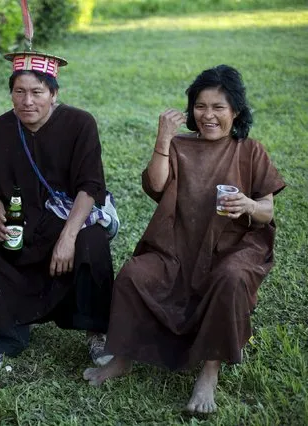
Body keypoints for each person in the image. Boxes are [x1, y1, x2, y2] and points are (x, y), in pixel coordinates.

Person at [83, 65, 286, 414]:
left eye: (218, 108)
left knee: (231, 279)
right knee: (135, 275)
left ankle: (209, 371)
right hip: (179, 245)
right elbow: (158, 186)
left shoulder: (250, 150)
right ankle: (122, 358)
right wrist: (163, 139)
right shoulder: (178, 146)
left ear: (235, 111)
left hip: (233, 247)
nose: (208, 115)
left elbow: (267, 211)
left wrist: (250, 204)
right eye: (200, 106)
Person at [0, 51, 117, 373]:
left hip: (64, 219)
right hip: (20, 223)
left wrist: (68, 236)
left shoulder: (80, 123)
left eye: (37, 92)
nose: (27, 101)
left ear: (54, 94)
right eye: (19, 92)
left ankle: (97, 333)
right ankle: (4, 336)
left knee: (92, 241)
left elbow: (91, 187)